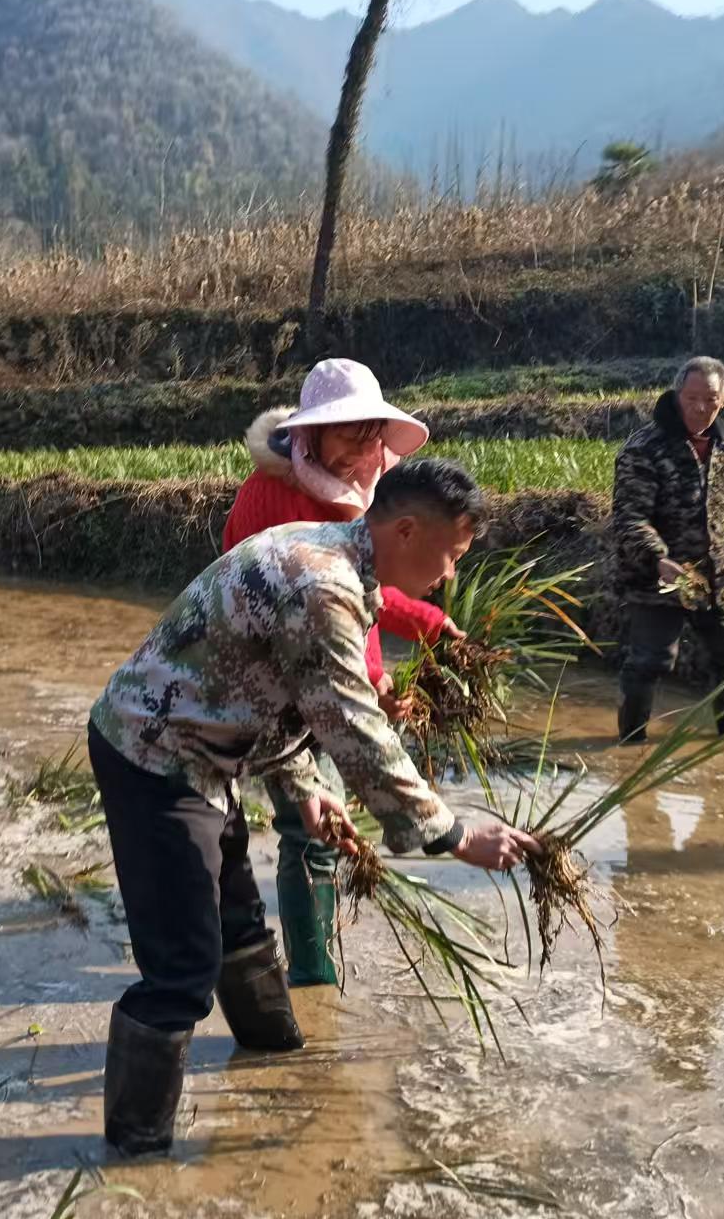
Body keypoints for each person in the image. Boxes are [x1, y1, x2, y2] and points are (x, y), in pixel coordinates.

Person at [87, 458, 539, 1156]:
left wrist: (304, 783)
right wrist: (452, 834)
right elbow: (356, 727)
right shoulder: (323, 583)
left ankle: (274, 1057)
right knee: (182, 967)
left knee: (237, 921)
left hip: (203, 751)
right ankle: (135, 1159)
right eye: (450, 556)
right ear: (409, 530)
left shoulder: (338, 560)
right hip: (153, 753)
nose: (449, 577)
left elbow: (267, 684)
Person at [222, 357, 463, 988]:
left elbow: (372, 587)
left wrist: (425, 634)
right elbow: (288, 611)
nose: (363, 446)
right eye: (347, 431)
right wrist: (451, 834)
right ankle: (311, 976)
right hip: (288, 681)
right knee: (310, 829)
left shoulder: (374, 490)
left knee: (329, 824)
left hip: (349, 669)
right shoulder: (270, 495)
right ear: (309, 436)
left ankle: (302, 955)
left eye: (371, 432)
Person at [611, 356, 724, 744]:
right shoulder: (644, 448)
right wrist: (657, 558)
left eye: (710, 400)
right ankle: (629, 746)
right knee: (651, 660)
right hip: (658, 578)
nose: (701, 408)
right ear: (677, 395)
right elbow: (629, 517)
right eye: (692, 398)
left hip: (716, 576)